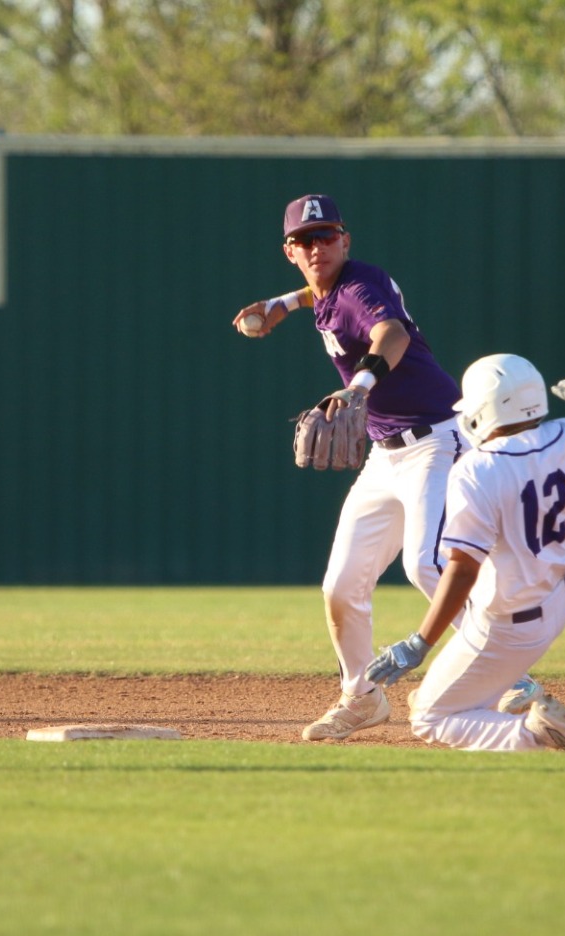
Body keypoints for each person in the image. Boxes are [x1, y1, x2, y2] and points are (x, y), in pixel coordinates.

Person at [233, 195, 465, 741]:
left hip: (436, 439)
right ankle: (361, 696)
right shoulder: (326, 289)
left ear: (345, 241)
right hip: (386, 455)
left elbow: (393, 335)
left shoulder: (361, 286)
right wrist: (279, 305)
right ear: (290, 250)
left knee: (427, 565)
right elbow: (317, 291)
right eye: (304, 240)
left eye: (326, 236)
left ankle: (512, 679)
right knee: (340, 585)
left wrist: (358, 384)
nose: (317, 248)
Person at [362, 354, 565, 752]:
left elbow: (462, 570)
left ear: (485, 410)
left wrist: (421, 641)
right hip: (554, 605)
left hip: (504, 623)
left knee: (430, 717)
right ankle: (521, 720)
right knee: (449, 695)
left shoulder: (477, 469)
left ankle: (538, 734)